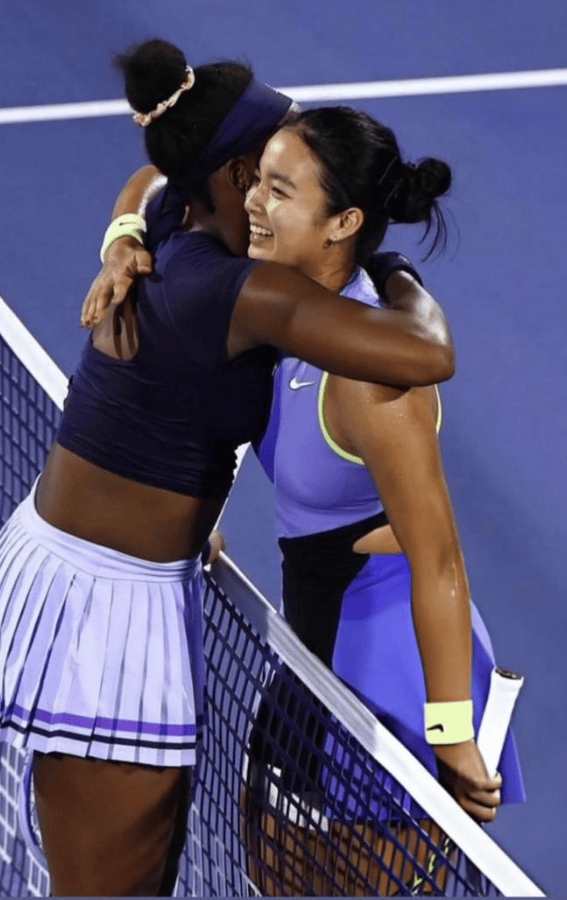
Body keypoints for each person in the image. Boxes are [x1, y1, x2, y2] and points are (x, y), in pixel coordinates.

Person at [0, 40, 455, 897]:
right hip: (111, 606)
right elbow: (427, 352)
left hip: (83, 565)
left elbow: (144, 182)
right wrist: (392, 268)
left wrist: (119, 235)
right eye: (272, 162)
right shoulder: (240, 292)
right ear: (239, 173)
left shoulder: (176, 213)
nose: (281, 171)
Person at [240, 107, 525, 895]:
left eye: (279, 190)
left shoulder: (372, 380)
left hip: (391, 682)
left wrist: (451, 732)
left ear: (343, 223)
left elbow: (439, 559)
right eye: (257, 181)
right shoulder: (281, 304)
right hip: (310, 661)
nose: (253, 202)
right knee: (270, 877)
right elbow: (161, 179)